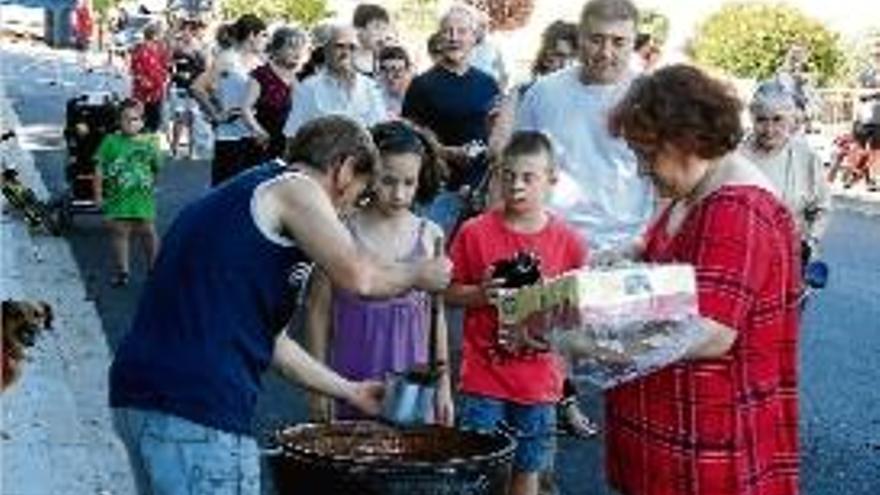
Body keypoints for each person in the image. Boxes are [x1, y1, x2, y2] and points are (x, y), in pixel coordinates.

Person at [109, 115, 453, 495]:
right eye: (358, 196)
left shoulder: (247, 203)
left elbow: (274, 344)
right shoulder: (295, 188)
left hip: (143, 399)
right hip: (196, 410)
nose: (348, 213)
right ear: (343, 170)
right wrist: (420, 274)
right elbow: (361, 278)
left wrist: (349, 390)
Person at [604, 64, 801, 495]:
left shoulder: (736, 207)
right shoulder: (694, 193)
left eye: (646, 155)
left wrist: (585, 343)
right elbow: (670, 270)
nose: (642, 170)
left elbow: (709, 333)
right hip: (669, 438)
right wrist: (621, 260)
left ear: (685, 141)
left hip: (706, 448)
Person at [447, 131, 589, 495]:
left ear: (551, 179)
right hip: (483, 376)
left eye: (529, 177)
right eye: (507, 175)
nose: (516, 186)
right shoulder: (474, 232)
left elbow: (580, 311)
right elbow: (446, 292)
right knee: (480, 470)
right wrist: (480, 294)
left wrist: (551, 321)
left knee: (528, 470)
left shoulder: (570, 242)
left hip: (540, 380)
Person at [306, 120, 453, 424]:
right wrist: (317, 387)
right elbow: (317, 311)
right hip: (351, 377)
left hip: (412, 386)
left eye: (409, 183)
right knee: (349, 461)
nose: (399, 194)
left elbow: (436, 319)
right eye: (388, 181)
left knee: (406, 464)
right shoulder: (341, 231)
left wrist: (444, 387)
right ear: (370, 173)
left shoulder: (430, 235)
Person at [516, 0, 654, 255]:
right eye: (596, 39)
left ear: (633, 42)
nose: (606, 52)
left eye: (618, 41)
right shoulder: (544, 92)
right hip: (551, 244)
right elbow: (518, 166)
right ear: (580, 38)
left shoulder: (652, 97)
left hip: (626, 248)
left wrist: (645, 241)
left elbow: (667, 185)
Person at [402, 4, 501, 234]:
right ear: (439, 36)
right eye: (448, 31)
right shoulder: (421, 85)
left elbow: (497, 132)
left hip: (481, 191)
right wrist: (446, 152)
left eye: (462, 31)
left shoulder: (488, 83)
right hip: (437, 191)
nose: (454, 38)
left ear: (474, 37)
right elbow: (408, 138)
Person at [741, 81, 832, 263]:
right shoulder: (735, 156)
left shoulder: (806, 158)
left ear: (790, 120)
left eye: (777, 119)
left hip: (790, 259)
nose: (769, 130)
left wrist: (809, 243)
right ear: (752, 119)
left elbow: (822, 209)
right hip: (743, 258)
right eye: (761, 120)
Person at [190, 14, 267, 185]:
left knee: (250, 194)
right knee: (225, 193)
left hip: (254, 135)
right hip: (230, 136)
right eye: (263, 35)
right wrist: (216, 114)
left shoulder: (259, 61)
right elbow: (197, 87)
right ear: (252, 35)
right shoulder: (227, 58)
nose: (265, 40)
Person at [93, 99, 162, 287]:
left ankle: (154, 268)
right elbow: (99, 169)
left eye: (136, 119)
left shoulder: (150, 141)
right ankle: (123, 271)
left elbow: (156, 168)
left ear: (143, 121)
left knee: (147, 231)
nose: (131, 123)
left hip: (142, 196)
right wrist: (98, 195)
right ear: (119, 121)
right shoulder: (110, 142)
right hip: (118, 196)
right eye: (127, 119)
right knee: (120, 232)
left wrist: (152, 186)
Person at [282, 25, 387, 138]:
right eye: (340, 46)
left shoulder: (370, 87)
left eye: (352, 47)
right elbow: (293, 135)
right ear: (326, 50)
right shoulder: (308, 88)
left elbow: (381, 130)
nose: (346, 52)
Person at [242, 26, 310, 164]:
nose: (297, 53)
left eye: (300, 48)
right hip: (265, 146)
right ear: (277, 49)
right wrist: (258, 131)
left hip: (294, 147)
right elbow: (246, 108)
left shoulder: (302, 78)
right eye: (291, 47)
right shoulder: (261, 74)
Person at [168, 18, 207, 160]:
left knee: (192, 119)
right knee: (179, 118)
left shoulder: (199, 47)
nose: (186, 33)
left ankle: (192, 150)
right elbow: (168, 47)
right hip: (179, 87)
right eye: (183, 30)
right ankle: (174, 149)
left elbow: (205, 69)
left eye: (189, 30)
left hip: (194, 88)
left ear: (193, 32)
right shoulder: (177, 46)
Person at [130, 23, 170, 133]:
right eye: (160, 34)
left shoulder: (159, 49)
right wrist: (147, 83)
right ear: (154, 35)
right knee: (143, 121)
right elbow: (136, 71)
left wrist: (163, 78)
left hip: (156, 92)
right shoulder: (140, 50)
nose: (162, 36)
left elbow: (164, 66)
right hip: (144, 93)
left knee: (154, 121)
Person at [352, 3, 393, 77]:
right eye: (377, 27)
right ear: (359, 29)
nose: (382, 34)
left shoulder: (383, 63)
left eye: (384, 29)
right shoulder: (345, 62)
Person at [376, 45, 414, 117]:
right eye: (385, 70)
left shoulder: (420, 95)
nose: (390, 77)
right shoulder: (372, 92)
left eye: (397, 72)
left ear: (408, 71)